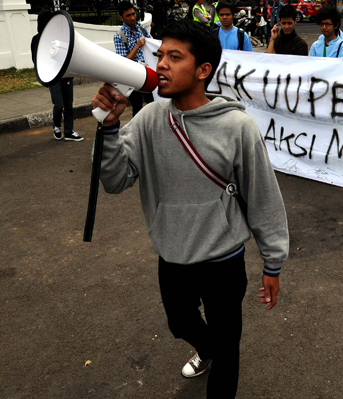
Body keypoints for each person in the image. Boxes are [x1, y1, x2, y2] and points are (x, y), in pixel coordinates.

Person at [91, 19, 289, 398]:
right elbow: (115, 181)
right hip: (173, 257)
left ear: (203, 71)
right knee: (180, 323)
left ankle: (218, 352)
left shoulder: (238, 127)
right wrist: (110, 129)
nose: (161, 64)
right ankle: (207, 347)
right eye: (160, 54)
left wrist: (272, 262)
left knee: (228, 351)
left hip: (224, 262)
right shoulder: (148, 119)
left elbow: (264, 196)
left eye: (174, 57)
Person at [31, 10, 85, 142]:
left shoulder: (61, 36)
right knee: (59, 105)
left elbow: (71, 54)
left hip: (66, 76)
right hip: (53, 78)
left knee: (69, 105)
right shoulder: (36, 39)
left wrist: (78, 72)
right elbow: (37, 60)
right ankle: (56, 126)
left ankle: (69, 131)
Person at [114, 1, 154, 117]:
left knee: (153, 103)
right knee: (137, 107)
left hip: (147, 72)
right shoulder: (119, 36)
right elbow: (124, 61)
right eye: (128, 15)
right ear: (121, 17)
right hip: (133, 76)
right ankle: (138, 132)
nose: (132, 17)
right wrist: (137, 46)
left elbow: (151, 43)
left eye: (133, 14)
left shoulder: (140, 28)